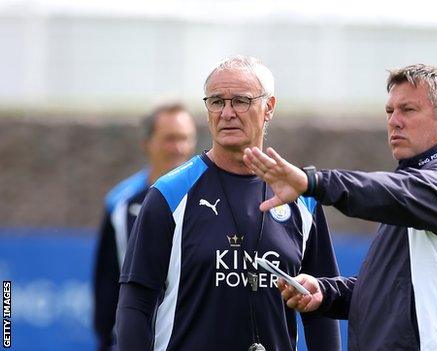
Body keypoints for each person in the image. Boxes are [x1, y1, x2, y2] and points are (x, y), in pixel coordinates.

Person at [243, 64, 437, 351]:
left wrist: (313, 181)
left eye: (408, 110)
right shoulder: (412, 188)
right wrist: (327, 293)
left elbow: (395, 192)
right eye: (390, 112)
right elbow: (393, 292)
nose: (394, 121)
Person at [115, 55, 341, 351]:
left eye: (241, 101)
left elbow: (321, 308)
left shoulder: (302, 197)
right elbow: (135, 304)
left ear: (269, 108)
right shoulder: (169, 194)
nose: (227, 113)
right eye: (217, 102)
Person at [93, 102, 197, 351]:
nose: (178, 148)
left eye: (185, 138)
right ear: (147, 143)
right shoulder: (121, 203)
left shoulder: (209, 197)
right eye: (169, 139)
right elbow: (106, 282)